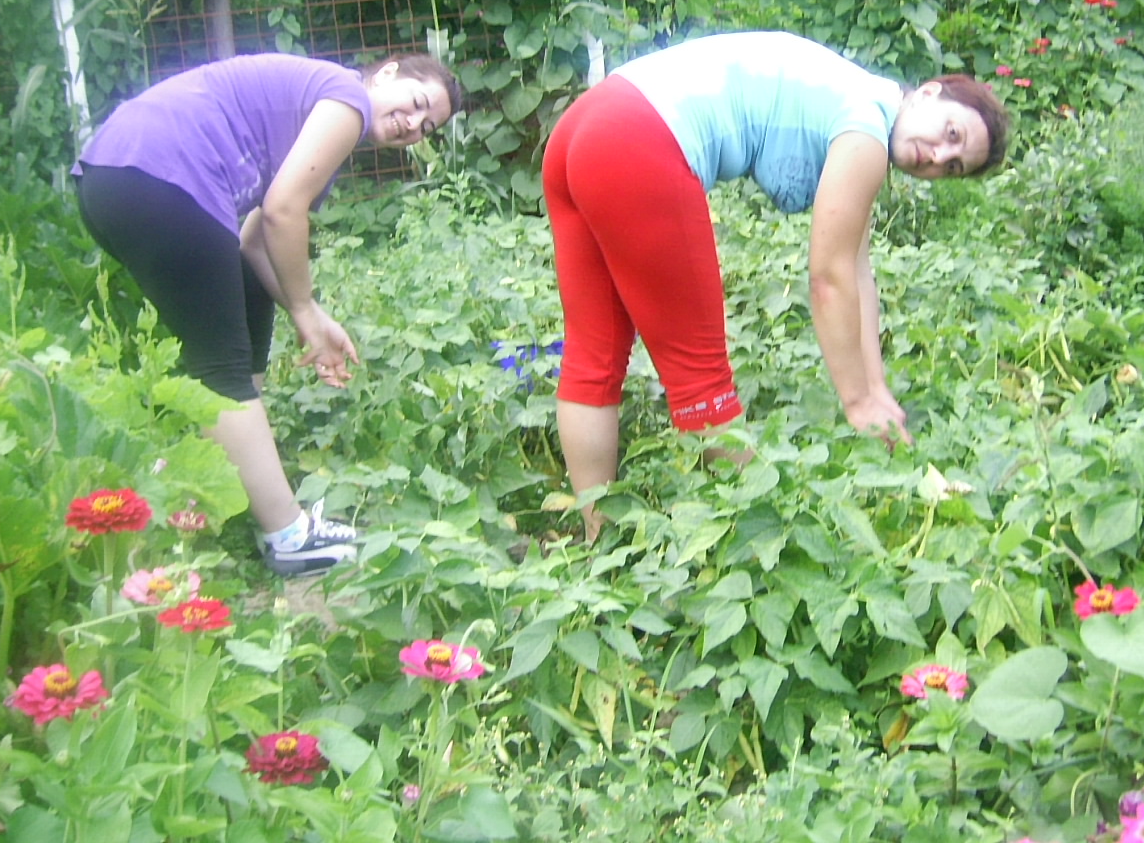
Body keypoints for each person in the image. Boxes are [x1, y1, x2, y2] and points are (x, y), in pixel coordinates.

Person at [543, 30, 1008, 538]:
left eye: (953, 166)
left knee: (593, 355)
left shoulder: (858, 100)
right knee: (701, 380)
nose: (937, 157)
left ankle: (598, 546)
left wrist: (876, 389)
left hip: (585, 125)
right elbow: (828, 278)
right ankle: (757, 540)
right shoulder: (865, 130)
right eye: (952, 135)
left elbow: (856, 267)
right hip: (639, 138)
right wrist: (856, 403)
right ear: (930, 92)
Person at [72, 51, 460, 575]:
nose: (412, 125)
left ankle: (197, 487)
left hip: (110, 179)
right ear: (387, 71)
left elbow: (257, 243)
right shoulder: (346, 100)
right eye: (416, 104)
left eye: (426, 127)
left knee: (244, 301)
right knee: (221, 370)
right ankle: (290, 536)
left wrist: (311, 317)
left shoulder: (322, 108)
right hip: (164, 174)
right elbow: (282, 212)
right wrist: (301, 306)